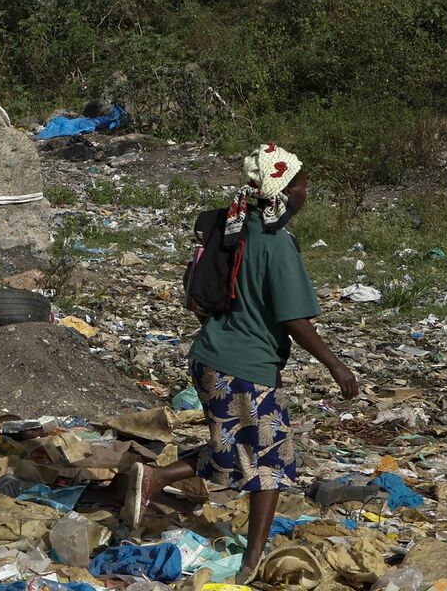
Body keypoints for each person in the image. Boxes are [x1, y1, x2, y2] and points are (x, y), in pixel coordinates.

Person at [119, 145, 357, 586]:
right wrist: (336, 366)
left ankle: (151, 479)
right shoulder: (276, 243)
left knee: (235, 445)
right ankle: (251, 563)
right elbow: (292, 319)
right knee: (270, 463)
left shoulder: (232, 227)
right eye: (301, 183)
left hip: (209, 358)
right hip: (245, 369)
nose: (307, 190)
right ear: (282, 192)